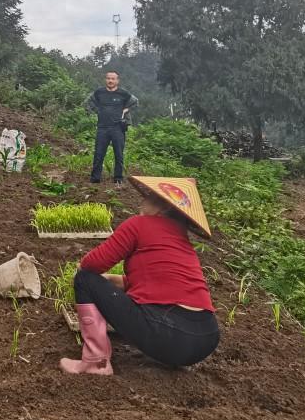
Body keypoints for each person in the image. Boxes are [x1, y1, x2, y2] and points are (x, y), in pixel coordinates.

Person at [59, 176, 219, 375]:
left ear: (164, 206)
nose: (143, 199)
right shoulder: (180, 237)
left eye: (152, 196)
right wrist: (113, 282)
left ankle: (95, 362)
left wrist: (86, 273)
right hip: (206, 338)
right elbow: (155, 281)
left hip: (169, 333)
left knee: (84, 279)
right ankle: (169, 357)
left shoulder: (139, 224)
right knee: (98, 283)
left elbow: (92, 264)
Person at [86, 70, 138, 184]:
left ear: (117, 81)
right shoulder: (99, 92)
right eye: (108, 78)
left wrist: (126, 110)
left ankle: (118, 178)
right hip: (102, 127)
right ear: (106, 79)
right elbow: (89, 101)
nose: (110, 80)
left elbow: (135, 102)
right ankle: (95, 178)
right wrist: (97, 111)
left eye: (113, 79)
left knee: (119, 154)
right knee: (99, 153)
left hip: (118, 128)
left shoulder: (123, 93)